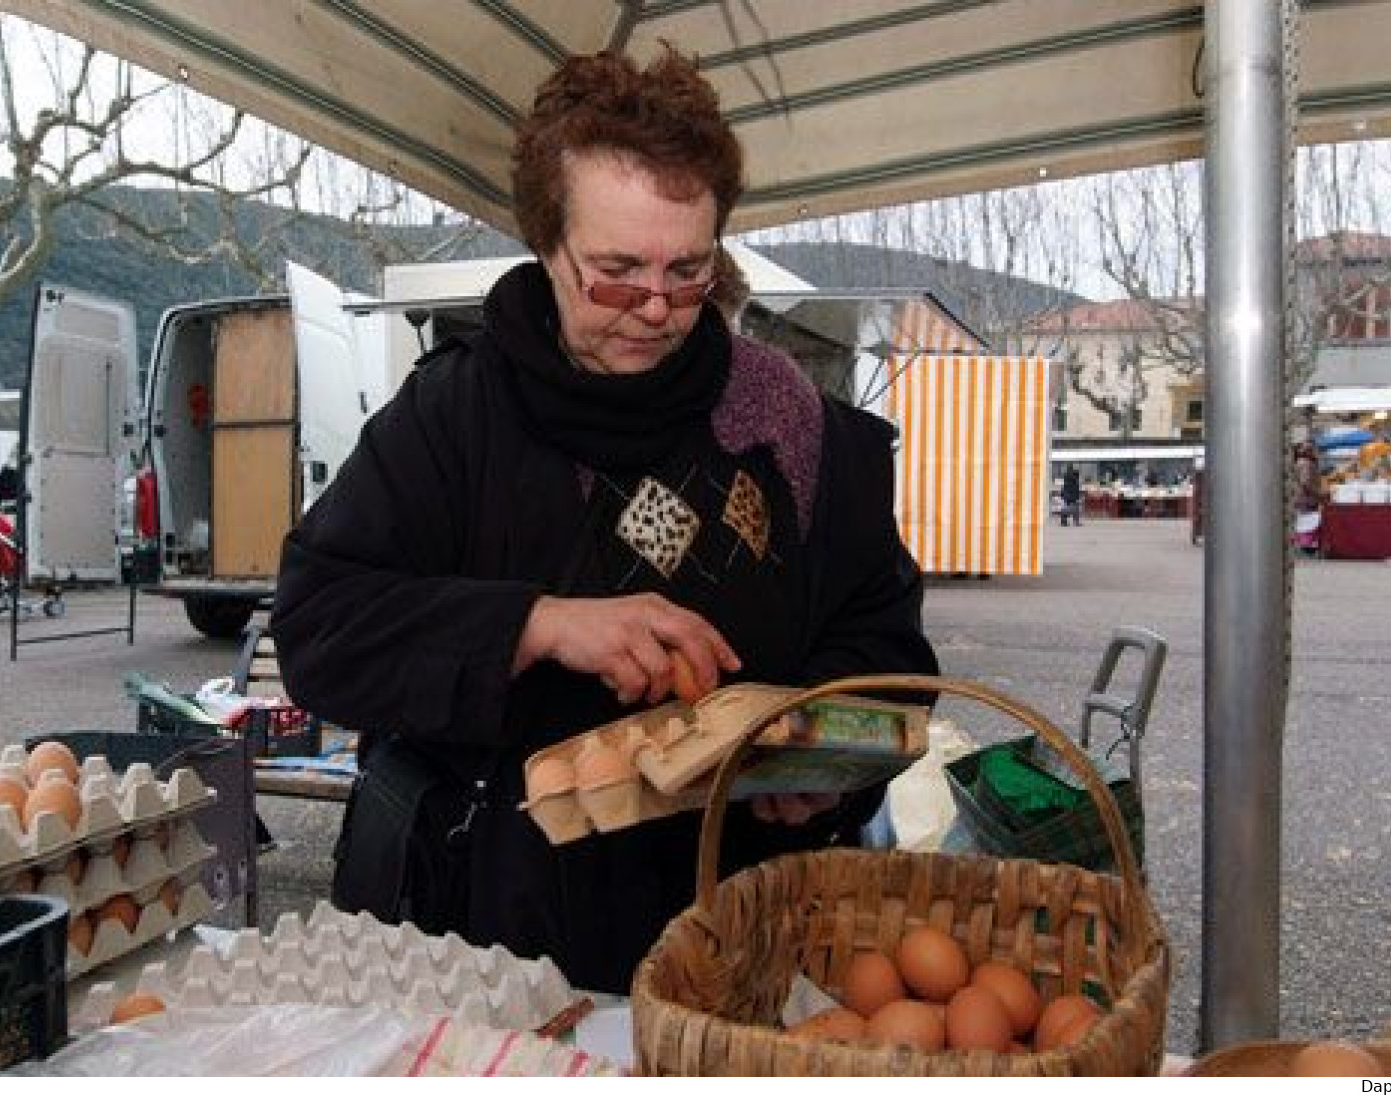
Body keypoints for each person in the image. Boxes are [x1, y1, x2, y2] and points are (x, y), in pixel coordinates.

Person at [270, 45, 939, 994]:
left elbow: (881, 639)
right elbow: (318, 628)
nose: (657, 308)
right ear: (547, 247)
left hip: (730, 939)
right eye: (617, 273)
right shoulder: (453, 417)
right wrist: (536, 624)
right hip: (489, 947)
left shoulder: (785, 422)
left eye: (688, 271)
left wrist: (820, 758)